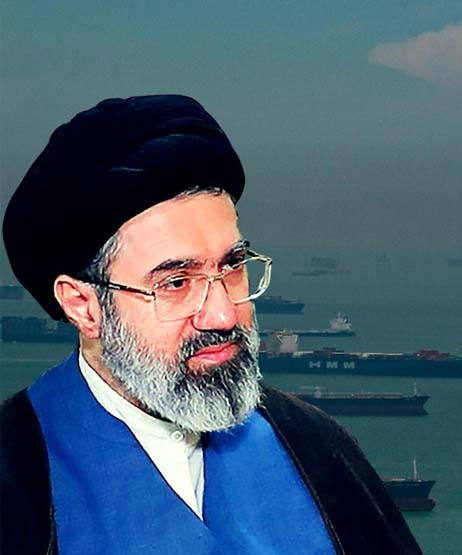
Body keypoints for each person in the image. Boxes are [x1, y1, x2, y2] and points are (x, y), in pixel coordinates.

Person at [0, 95, 422, 554]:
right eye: (176, 282)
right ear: (83, 306)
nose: (222, 314)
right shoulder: (16, 475)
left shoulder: (316, 447)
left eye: (233, 266)